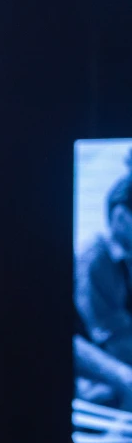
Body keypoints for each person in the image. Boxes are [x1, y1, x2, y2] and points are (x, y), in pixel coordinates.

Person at [74, 165, 132, 410]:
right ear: (120, 217)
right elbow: (111, 337)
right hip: (98, 381)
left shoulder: (126, 258)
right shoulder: (96, 258)